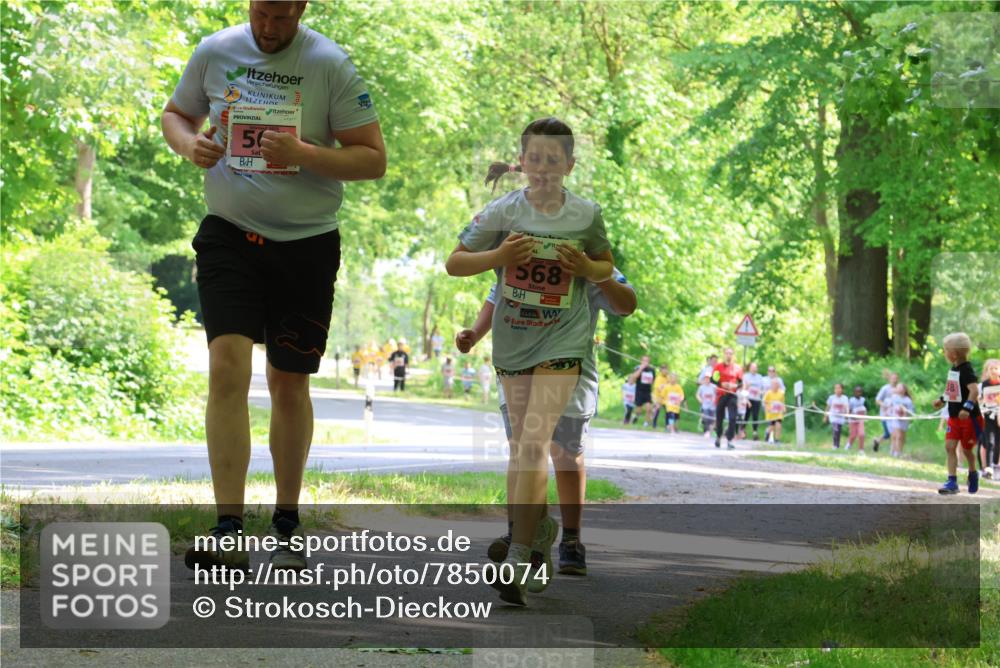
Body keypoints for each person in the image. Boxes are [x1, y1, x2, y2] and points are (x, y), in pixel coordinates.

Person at [163, 0, 386, 572]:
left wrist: (304, 154)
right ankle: (228, 526)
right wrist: (191, 145)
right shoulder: (215, 50)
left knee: (288, 382)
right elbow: (176, 115)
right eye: (261, 13)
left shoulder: (330, 64)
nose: (268, 27)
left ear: (301, 9)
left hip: (306, 244)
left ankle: (286, 521)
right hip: (229, 235)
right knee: (227, 366)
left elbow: (372, 159)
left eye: (281, 17)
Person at [445, 117, 614, 606]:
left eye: (552, 160)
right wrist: (499, 253)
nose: (542, 169)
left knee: (536, 438)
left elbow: (605, 264)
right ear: (522, 162)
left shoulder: (585, 215)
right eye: (534, 159)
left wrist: (585, 268)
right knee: (522, 445)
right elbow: (455, 262)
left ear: (569, 165)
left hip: (564, 339)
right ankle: (538, 531)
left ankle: (519, 552)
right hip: (515, 342)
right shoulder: (502, 211)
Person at [456, 268, 636, 579]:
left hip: (570, 370)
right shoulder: (521, 249)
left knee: (565, 454)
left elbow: (626, 303)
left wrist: (595, 271)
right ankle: (520, 536)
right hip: (518, 368)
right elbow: (496, 296)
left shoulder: (584, 256)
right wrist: (474, 332)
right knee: (522, 449)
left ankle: (570, 538)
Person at [935, 333, 983, 494]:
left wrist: (967, 408)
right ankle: (952, 481)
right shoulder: (954, 368)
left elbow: (974, 390)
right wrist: (942, 400)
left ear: (954, 354)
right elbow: (953, 390)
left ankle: (973, 473)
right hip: (954, 417)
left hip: (969, 418)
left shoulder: (967, 370)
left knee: (967, 450)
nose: (944, 353)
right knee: (949, 447)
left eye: (945, 350)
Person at [711, 347, 743, 449]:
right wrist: (721, 383)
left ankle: (730, 439)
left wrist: (735, 386)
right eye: (727, 353)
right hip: (721, 394)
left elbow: (741, 383)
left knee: (733, 417)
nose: (729, 355)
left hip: (732, 395)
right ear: (724, 354)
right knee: (719, 417)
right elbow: (712, 380)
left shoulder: (737, 368)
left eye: (731, 354)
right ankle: (718, 437)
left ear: (733, 356)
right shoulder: (718, 367)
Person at [979, 359, 1000, 480]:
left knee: (998, 442)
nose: (993, 371)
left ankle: (996, 466)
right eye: (991, 369)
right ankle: (988, 468)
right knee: (989, 442)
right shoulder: (984, 385)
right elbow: (980, 400)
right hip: (988, 416)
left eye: (996, 368)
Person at [872, 371, 899, 453]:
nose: (895, 380)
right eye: (893, 378)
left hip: (895, 414)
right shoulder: (885, 388)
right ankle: (893, 451)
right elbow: (877, 400)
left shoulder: (899, 388)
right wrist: (884, 405)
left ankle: (878, 441)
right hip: (885, 414)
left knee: (892, 433)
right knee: (889, 433)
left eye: (896, 379)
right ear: (890, 379)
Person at [629, 355, 657, 427]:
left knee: (648, 408)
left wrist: (654, 392)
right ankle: (635, 417)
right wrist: (641, 369)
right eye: (644, 360)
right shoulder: (638, 368)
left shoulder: (652, 370)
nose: (645, 362)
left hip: (647, 392)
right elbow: (634, 377)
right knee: (639, 410)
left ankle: (646, 423)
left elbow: (653, 381)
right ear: (641, 361)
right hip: (639, 391)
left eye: (647, 361)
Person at [889, 383, 915, 458]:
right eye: (898, 388)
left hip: (904, 420)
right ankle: (895, 452)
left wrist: (905, 410)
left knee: (902, 437)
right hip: (895, 419)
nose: (899, 389)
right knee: (897, 436)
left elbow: (911, 411)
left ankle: (899, 450)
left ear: (904, 390)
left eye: (901, 388)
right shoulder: (894, 397)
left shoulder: (908, 400)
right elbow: (890, 405)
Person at [823, 383, 850, 449]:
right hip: (833, 417)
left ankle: (837, 444)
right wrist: (825, 416)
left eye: (839, 388)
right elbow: (827, 407)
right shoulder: (831, 398)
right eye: (836, 388)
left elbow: (847, 407)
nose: (837, 390)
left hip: (841, 418)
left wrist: (847, 414)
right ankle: (835, 445)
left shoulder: (845, 398)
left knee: (838, 431)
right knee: (836, 429)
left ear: (842, 389)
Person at [742, 362, 764, 440]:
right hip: (748, 398)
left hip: (757, 399)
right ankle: (742, 430)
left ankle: (755, 431)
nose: (754, 369)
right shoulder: (746, 376)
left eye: (755, 367)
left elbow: (762, 388)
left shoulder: (760, 377)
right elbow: (743, 387)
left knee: (755, 415)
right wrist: (745, 398)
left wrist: (760, 392)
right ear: (750, 368)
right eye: (752, 367)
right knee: (746, 415)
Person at [846, 385, 867, 453]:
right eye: (857, 392)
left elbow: (865, 409)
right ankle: (848, 445)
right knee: (853, 435)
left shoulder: (863, 400)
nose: (858, 393)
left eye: (860, 392)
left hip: (860, 420)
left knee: (861, 434)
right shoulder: (851, 400)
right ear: (854, 392)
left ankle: (861, 449)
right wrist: (849, 420)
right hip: (853, 420)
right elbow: (849, 411)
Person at [764, 379, 785, 444]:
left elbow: (782, 402)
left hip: (778, 413)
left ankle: (777, 439)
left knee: (778, 425)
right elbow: (765, 402)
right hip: (771, 413)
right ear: (771, 385)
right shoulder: (768, 393)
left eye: (777, 384)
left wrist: (784, 408)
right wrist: (768, 408)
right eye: (774, 384)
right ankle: (767, 433)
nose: (775, 386)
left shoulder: (781, 393)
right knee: (771, 427)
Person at [651, 365, 671, 429]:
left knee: (668, 410)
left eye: (667, 370)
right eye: (664, 370)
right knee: (657, 409)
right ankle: (654, 424)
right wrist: (666, 385)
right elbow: (659, 388)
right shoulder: (658, 378)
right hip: (657, 396)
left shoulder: (668, 377)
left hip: (664, 397)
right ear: (661, 370)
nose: (666, 371)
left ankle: (667, 425)